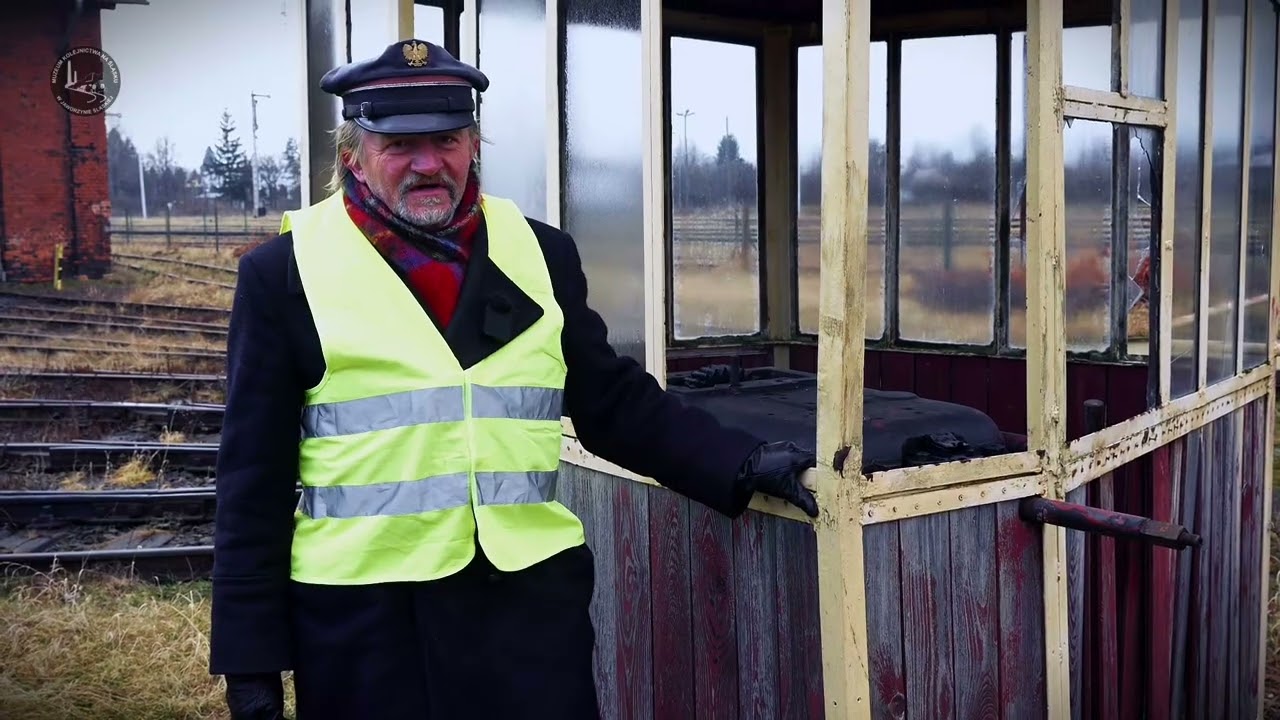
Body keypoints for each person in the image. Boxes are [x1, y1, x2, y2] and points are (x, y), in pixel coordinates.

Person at [209, 38, 818, 720]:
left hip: (525, 615)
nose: (427, 164)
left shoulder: (541, 252)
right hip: (365, 627)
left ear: (473, 144)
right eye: (400, 146)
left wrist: (740, 463)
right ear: (354, 153)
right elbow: (251, 481)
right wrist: (250, 662)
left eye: (446, 139)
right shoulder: (283, 274)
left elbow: (610, 401)